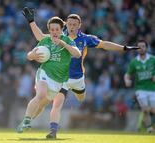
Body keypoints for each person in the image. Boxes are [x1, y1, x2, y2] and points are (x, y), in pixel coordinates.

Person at [22, 7, 139, 138]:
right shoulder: (59, 35)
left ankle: (78, 94)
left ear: (79, 25)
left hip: (78, 78)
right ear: (66, 23)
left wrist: (123, 48)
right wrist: (31, 21)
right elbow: (40, 36)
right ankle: (52, 132)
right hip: (63, 78)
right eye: (70, 24)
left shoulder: (85, 39)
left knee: (81, 98)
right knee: (56, 104)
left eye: (75, 25)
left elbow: (105, 44)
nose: (71, 27)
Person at [16, 16, 81, 139]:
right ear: (49, 31)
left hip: (58, 80)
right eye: (52, 30)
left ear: (62, 29)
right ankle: (26, 120)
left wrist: (62, 43)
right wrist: (32, 55)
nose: (54, 32)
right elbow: (29, 55)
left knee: (42, 105)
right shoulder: (45, 41)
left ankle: (26, 122)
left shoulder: (67, 40)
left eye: (57, 29)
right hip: (44, 73)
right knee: (40, 95)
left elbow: (77, 54)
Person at [124, 40, 155, 133]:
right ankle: (149, 129)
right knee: (145, 109)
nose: (141, 48)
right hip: (140, 89)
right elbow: (127, 74)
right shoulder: (134, 62)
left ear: (146, 48)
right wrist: (126, 80)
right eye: (139, 47)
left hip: (152, 89)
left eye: (143, 46)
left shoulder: (153, 59)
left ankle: (146, 125)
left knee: (153, 110)